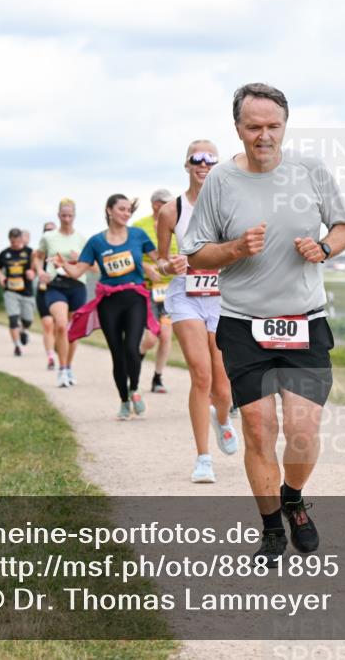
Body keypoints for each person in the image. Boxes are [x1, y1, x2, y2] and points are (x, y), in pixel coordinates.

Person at [184, 83, 345, 565]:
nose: (264, 136)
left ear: (285, 125)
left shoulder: (311, 170)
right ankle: (271, 531)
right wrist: (235, 248)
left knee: (302, 431)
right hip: (243, 322)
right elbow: (197, 253)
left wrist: (324, 248)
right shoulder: (220, 181)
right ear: (237, 128)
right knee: (260, 431)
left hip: (304, 320)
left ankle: (294, 499)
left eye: (273, 126)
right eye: (253, 126)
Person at [156, 140, 241, 484]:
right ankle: (203, 458)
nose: (203, 165)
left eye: (210, 160)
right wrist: (169, 266)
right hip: (185, 296)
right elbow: (160, 261)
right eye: (197, 159)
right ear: (187, 164)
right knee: (200, 374)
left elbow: (239, 250)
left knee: (222, 383)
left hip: (221, 297)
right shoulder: (170, 211)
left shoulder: (229, 205)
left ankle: (222, 419)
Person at [56, 194, 159, 419]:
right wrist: (63, 264)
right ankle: (123, 400)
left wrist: (167, 265)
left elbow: (160, 260)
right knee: (117, 354)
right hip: (109, 303)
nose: (126, 213)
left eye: (128, 210)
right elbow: (76, 272)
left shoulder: (138, 235)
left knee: (132, 348)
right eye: (121, 209)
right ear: (109, 210)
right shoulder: (96, 242)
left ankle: (135, 389)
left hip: (135, 298)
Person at [35, 199, 87, 387]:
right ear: (58, 216)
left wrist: (79, 259)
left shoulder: (82, 238)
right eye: (63, 215)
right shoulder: (49, 237)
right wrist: (40, 271)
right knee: (61, 325)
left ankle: (69, 367)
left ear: (74, 216)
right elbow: (38, 256)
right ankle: (62, 369)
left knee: (73, 331)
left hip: (77, 286)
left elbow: (93, 266)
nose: (66, 219)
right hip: (55, 285)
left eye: (70, 215)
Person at [132, 188, 176, 394]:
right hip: (146, 289)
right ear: (156, 204)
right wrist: (147, 268)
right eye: (166, 202)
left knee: (166, 335)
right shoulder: (140, 227)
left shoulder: (176, 223)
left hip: (170, 289)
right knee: (151, 337)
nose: (170, 206)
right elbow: (129, 253)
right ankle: (135, 362)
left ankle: (157, 378)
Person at [0, 228, 35, 357]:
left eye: (17, 241)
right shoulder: (5, 253)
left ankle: (23, 330)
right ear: (9, 240)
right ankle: (17, 346)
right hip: (10, 291)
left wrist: (32, 272)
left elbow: (37, 266)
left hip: (26, 291)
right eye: (12, 242)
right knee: (13, 319)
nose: (15, 244)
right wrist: (1, 276)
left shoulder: (30, 252)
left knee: (28, 320)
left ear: (21, 239)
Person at [34, 221, 58, 370]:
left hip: (59, 291)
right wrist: (33, 272)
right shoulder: (37, 252)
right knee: (48, 324)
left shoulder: (61, 251)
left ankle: (56, 344)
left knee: (59, 325)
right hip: (43, 291)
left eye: (52, 230)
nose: (49, 233)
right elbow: (31, 267)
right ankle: (50, 356)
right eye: (46, 230)